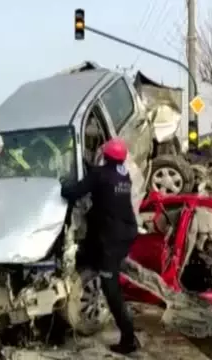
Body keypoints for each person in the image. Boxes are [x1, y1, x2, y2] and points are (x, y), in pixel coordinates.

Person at [60, 138, 140, 355]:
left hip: (112, 239)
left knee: (110, 287)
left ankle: (129, 338)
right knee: (90, 254)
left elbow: (73, 192)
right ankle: (91, 273)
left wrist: (61, 184)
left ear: (104, 155)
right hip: (125, 231)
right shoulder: (123, 175)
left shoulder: (100, 174)